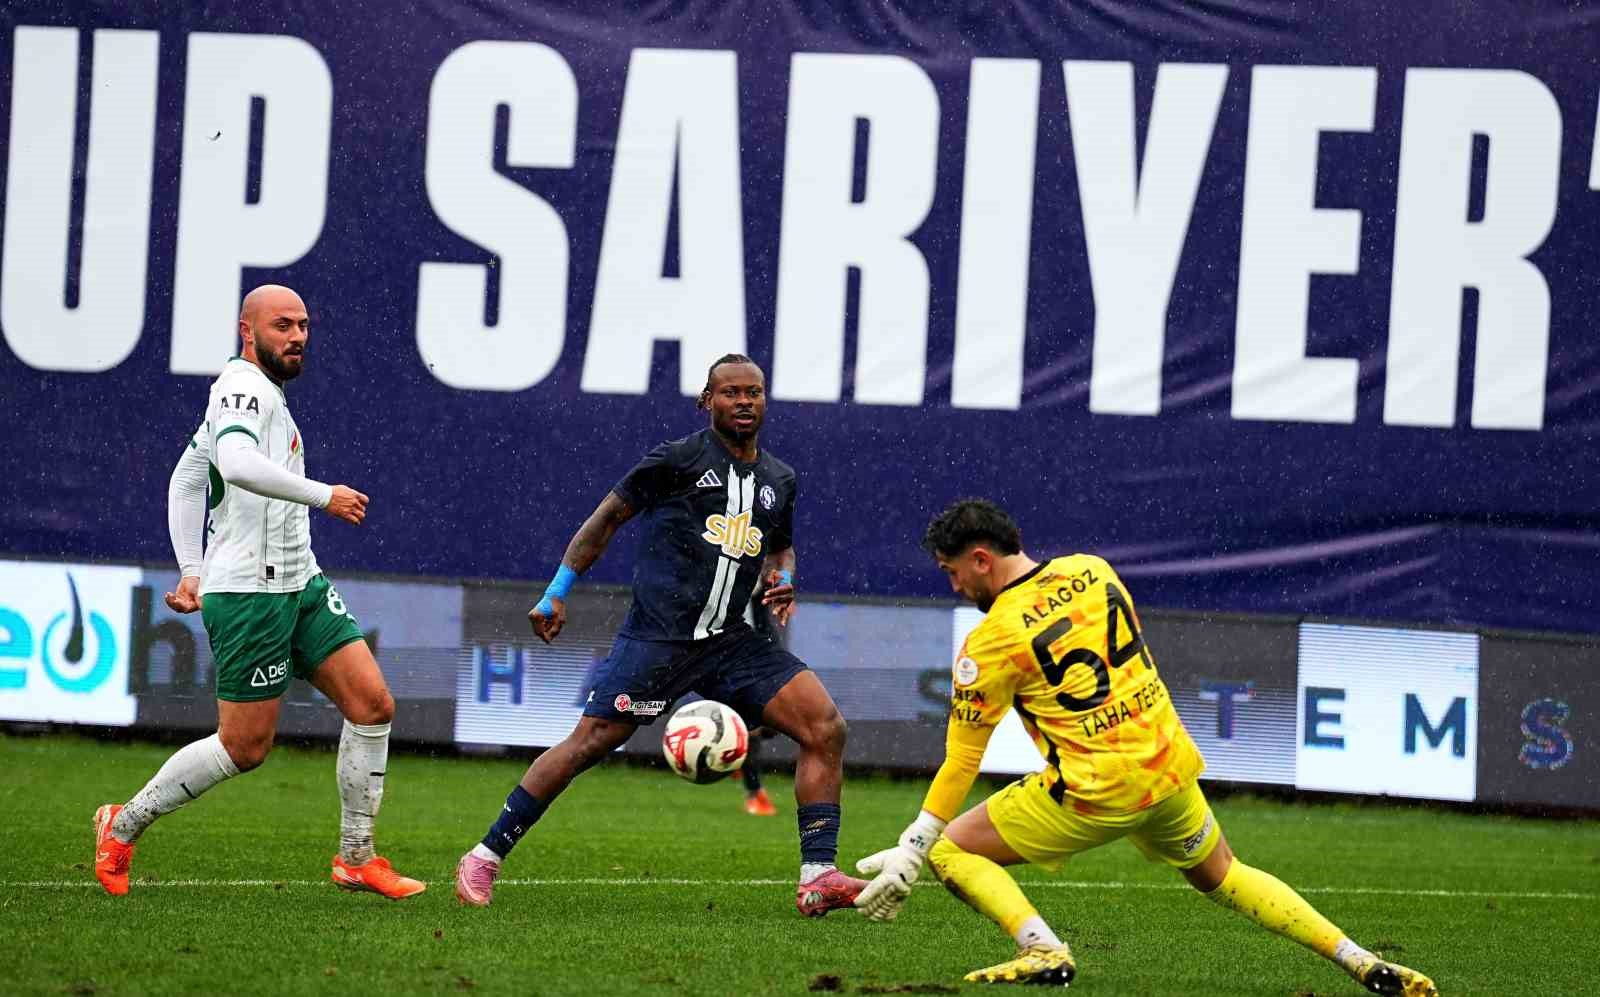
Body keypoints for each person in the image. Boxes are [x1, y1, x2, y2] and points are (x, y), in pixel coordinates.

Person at [853, 499, 1437, 996]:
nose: (954, 585)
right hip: (1166, 767)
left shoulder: (992, 640)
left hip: (1096, 790)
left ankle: (1042, 947)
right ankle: (1357, 959)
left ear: (981, 558)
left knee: (952, 852)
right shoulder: (1094, 570)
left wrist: (914, 845)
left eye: (953, 571)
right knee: (1223, 874)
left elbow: (963, 759)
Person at [454, 354, 863, 916]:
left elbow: (780, 545)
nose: (744, 401)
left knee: (826, 728)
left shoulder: (779, 479)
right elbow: (605, 521)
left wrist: (784, 576)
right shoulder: (678, 460)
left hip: (732, 641)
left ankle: (819, 877)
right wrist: (556, 591)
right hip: (660, 639)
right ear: (707, 401)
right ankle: (484, 855)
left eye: (755, 392)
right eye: (731, 393)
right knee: (588, 744)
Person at [93, 285, 423, 900]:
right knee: (245, 748)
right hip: (250, 593)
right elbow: (237, 465)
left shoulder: (261, 394)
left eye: (303, 325)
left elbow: (188, 480)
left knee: (373, 705)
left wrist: (190, 567)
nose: (296, 337)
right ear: (248, 331)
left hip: (299, 582)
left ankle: (356, 857)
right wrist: (326, 494)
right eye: (281, 326)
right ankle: (125, 821)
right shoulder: (241, 387)